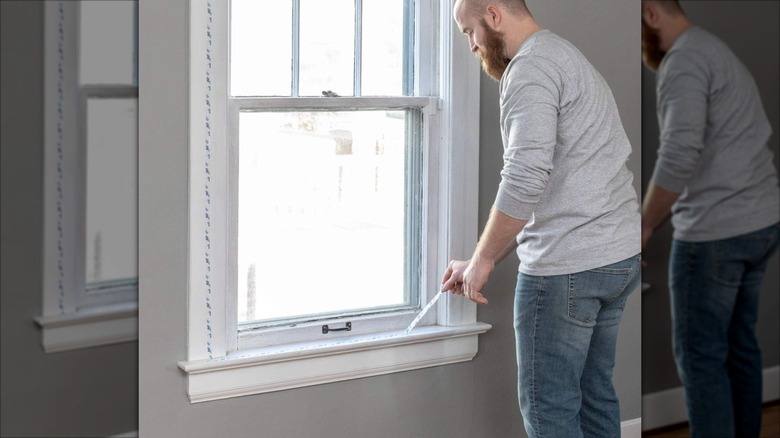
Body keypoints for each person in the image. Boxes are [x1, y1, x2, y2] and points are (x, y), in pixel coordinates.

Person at [440, 1, 641, 436]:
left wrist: (484, 262)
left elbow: (525, 179)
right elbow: (554, 191)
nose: (472, 46)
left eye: (469, 32)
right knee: (594, 398)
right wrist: (480, 256)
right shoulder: (564, 55)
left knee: (550, 413)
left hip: (567, 270)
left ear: (493, 14)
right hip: (617, 258)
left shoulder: (530, 70)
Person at [641, 1, 780, 437]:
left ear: (649, 13)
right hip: (760, 222)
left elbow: (679, 155)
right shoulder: (714, 49)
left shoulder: (684, 60)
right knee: (739, 347)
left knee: (701, 358)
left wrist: (642, 225)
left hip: (715, 236)